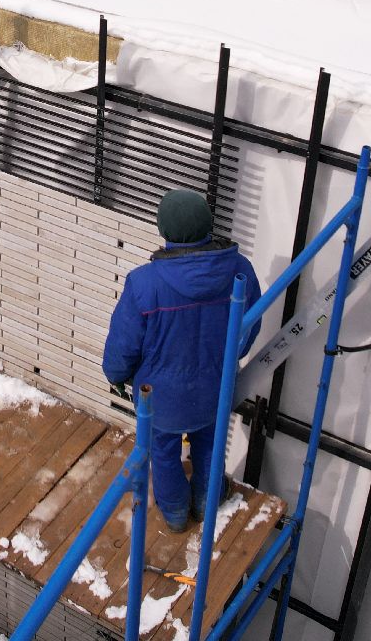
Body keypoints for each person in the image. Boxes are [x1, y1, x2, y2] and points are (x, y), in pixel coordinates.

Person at [102, 189, 261, 532]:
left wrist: (116, 374)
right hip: (216, 389)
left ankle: (175, 515)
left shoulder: (145, 283)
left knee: (162, 452)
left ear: (164, 230)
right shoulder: (240, 270)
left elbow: (124, 343)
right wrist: (228, 359)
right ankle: (205, 504)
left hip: (162, 397)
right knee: (209, 446)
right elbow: (251, 323)